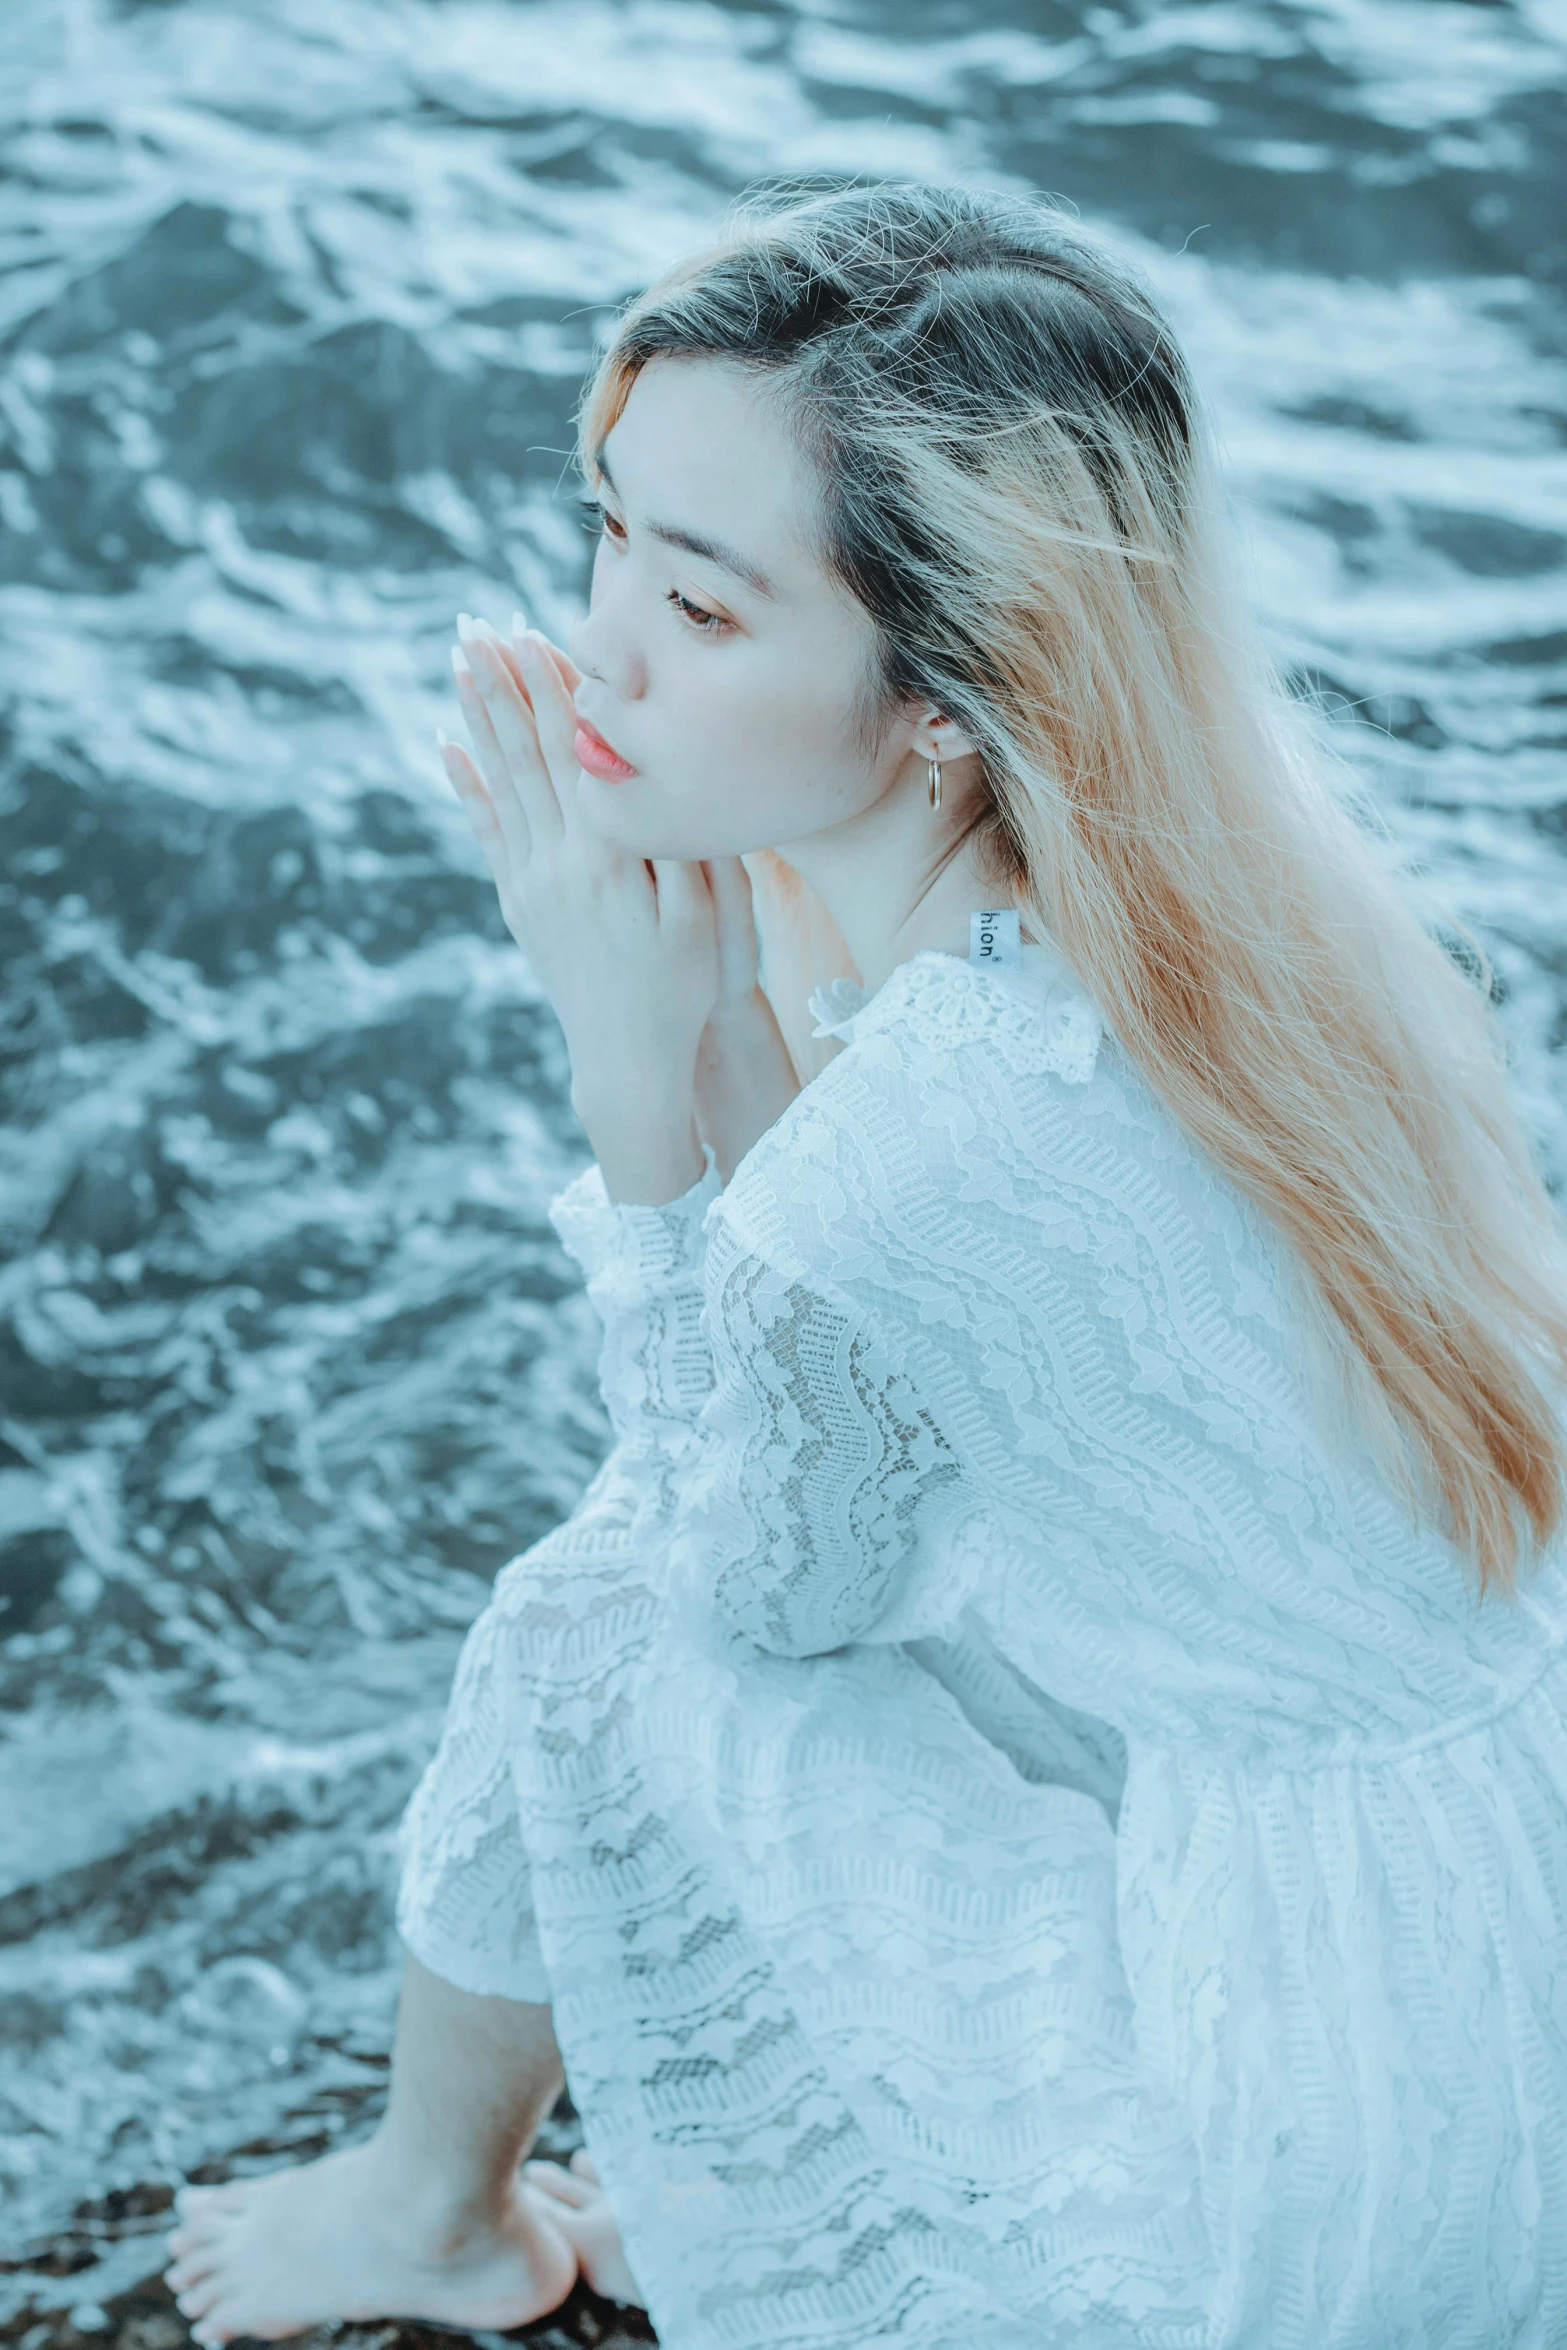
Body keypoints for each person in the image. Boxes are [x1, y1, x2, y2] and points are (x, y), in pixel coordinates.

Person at [161, 180, 1567, 2350]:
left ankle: (436, 2212)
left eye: (708, 611)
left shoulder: (934, 1137)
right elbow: (930, 1368)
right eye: (610, 529)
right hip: (1492, 1875)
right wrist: (736, 1051)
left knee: (596, 1612)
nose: (602, 642)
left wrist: (646, 1086)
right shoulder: (1277, 908)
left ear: (944, 702)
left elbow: (746, 1583)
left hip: (1321, 2111)